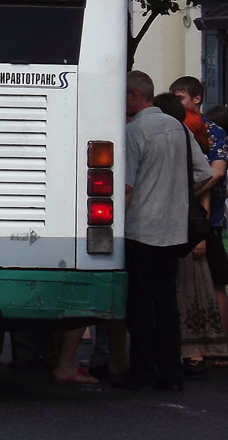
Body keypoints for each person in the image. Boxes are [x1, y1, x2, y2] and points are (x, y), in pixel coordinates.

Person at [107, 71, 212, 391]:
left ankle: (143, 371)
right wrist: (178, 193)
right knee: (166, 302)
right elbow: (204, 171)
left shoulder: (134, 130)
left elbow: (126, 186)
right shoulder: (179, 128)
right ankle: (171, 373)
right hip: (174, 228)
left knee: (140, 302)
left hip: (141, 228)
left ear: (134, 96)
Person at [169, 78, 228, 372]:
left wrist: (184, 192)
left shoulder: (212, 131)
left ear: (197, 98)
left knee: (215, 280)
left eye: (180, 97)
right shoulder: (179, 127)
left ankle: (219, 344)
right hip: (186, 215)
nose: (177, 103)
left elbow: (214, 173)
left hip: (209, 217)